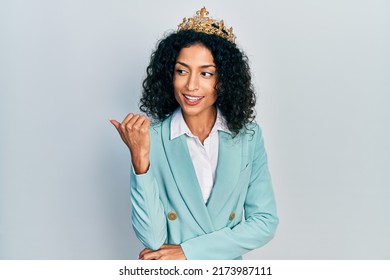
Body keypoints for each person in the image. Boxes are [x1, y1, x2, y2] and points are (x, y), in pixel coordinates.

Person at [110, 7, 278, 260]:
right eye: (182, 70)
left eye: (206, 73)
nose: (191, 85)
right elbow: (152, 238)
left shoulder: (248, 136)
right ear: (170, 75)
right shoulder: (151, 138)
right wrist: (140, 159)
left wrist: (189, 252)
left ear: (223, 81)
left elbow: (265, 221)